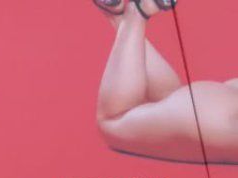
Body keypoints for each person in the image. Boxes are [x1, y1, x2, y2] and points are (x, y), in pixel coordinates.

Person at [93, 0, 238, 164]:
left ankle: (127, 17)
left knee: (169, 98)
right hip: (215, 121)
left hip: (219, 102)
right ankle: (137, 14)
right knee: (114, 121)